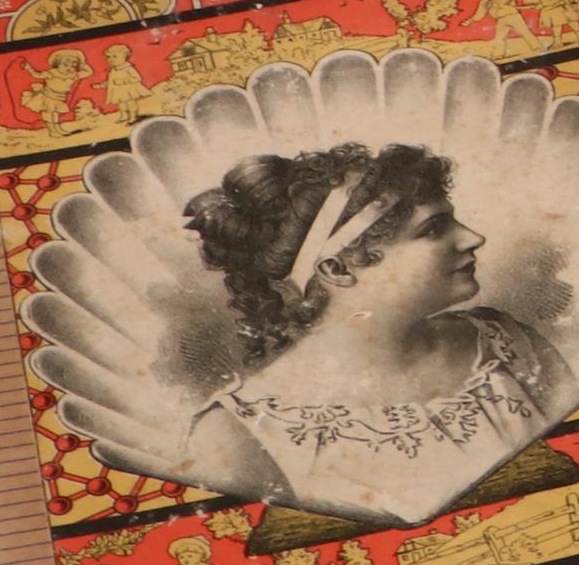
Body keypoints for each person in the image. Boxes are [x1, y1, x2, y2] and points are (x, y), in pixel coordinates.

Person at [182, 142, 559, 526]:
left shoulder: (504, 339)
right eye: (434, 228)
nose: (472, 237)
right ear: (336, 269)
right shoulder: (235, 435)